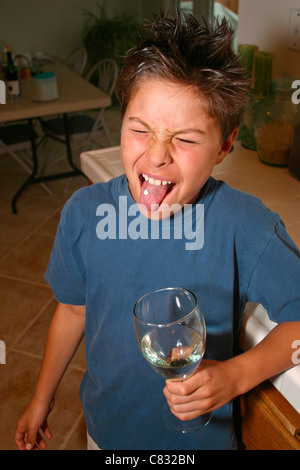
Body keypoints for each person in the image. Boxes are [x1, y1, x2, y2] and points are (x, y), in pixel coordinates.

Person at [15, 11, 300, 450]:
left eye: (185, 138)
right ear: (121, 119)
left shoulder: (246, 226)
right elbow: (73, 311)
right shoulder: (84, 213)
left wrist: (235, 376)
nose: (157, 155)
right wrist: (41, 398)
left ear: (225, 144)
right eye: (140, 129)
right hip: (105, 432)